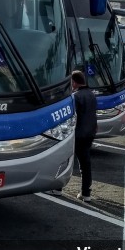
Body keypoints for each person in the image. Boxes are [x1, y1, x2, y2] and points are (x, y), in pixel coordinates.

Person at [46, 70, 98, 201]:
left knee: (65, 161)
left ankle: (57, 188)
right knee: (85, 164)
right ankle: (86, 193)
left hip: (77, 133)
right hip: (90, 133)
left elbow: (71, 116)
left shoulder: (75, 97)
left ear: (73, 82)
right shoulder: (92, 95)